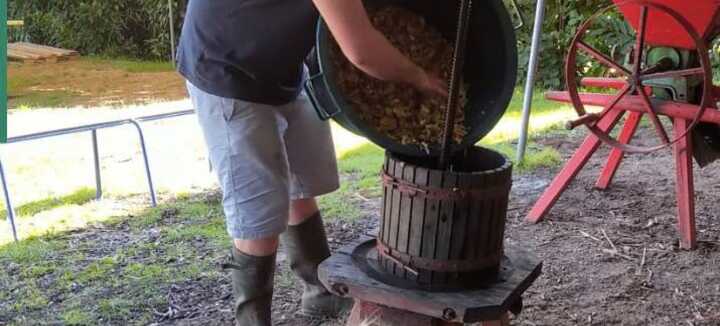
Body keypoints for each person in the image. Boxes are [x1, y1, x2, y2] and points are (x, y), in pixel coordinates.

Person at [176, 0, 447, 324]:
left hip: (280, 68)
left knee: (300, 184)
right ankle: (251, 319)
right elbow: (362, 50)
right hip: (227, 69)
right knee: (258, 215)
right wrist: (419, 77)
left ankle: (321, 295)